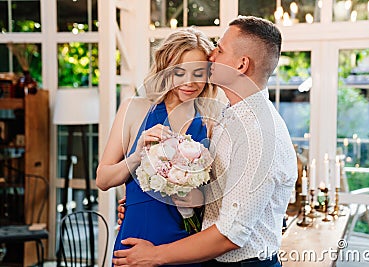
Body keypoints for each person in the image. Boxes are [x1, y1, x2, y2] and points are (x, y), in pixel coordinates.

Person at [112, 16, 298, 267]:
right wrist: (147, 202)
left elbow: (230, 235)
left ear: (242, 65)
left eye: (219, 50)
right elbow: (219, 194)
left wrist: (154, 255)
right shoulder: (228, 116)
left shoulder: (258, 133)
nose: (211, 55)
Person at [96, 27, 220, 267]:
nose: (190, 82)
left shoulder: (212, 119)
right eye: (180, 71)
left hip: (187, 246)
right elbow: (103, 179)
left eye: (199, 72)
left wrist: (195, 197)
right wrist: (137, 157)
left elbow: (215, 197)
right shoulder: (134, 108)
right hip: (137, 238)